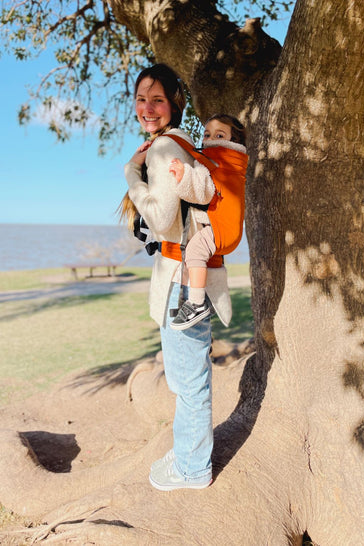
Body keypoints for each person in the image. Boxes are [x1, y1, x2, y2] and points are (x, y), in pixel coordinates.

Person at [120, 64, 232, 491]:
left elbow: (162, 216)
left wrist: (131, 175)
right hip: (191, 273)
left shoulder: (164, 149)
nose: (147, 108)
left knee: (188, 383)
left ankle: (193, 469)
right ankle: (189, 453)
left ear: (175, 104)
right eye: (141, 99)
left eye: (158, 99)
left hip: (182, 280)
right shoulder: (181, 143)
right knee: (191, 376)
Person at [168, 114, 247, 330]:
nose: (211, 139)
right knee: (198, 252)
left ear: (233, 142)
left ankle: (196, 302)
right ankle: (199, 301)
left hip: (221, 230)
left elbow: (201, 193)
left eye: (219, 135)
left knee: (194, 250)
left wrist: (183, 176)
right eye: (207, 134)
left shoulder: (214, 164)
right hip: (231, 231)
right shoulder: (235, 166)